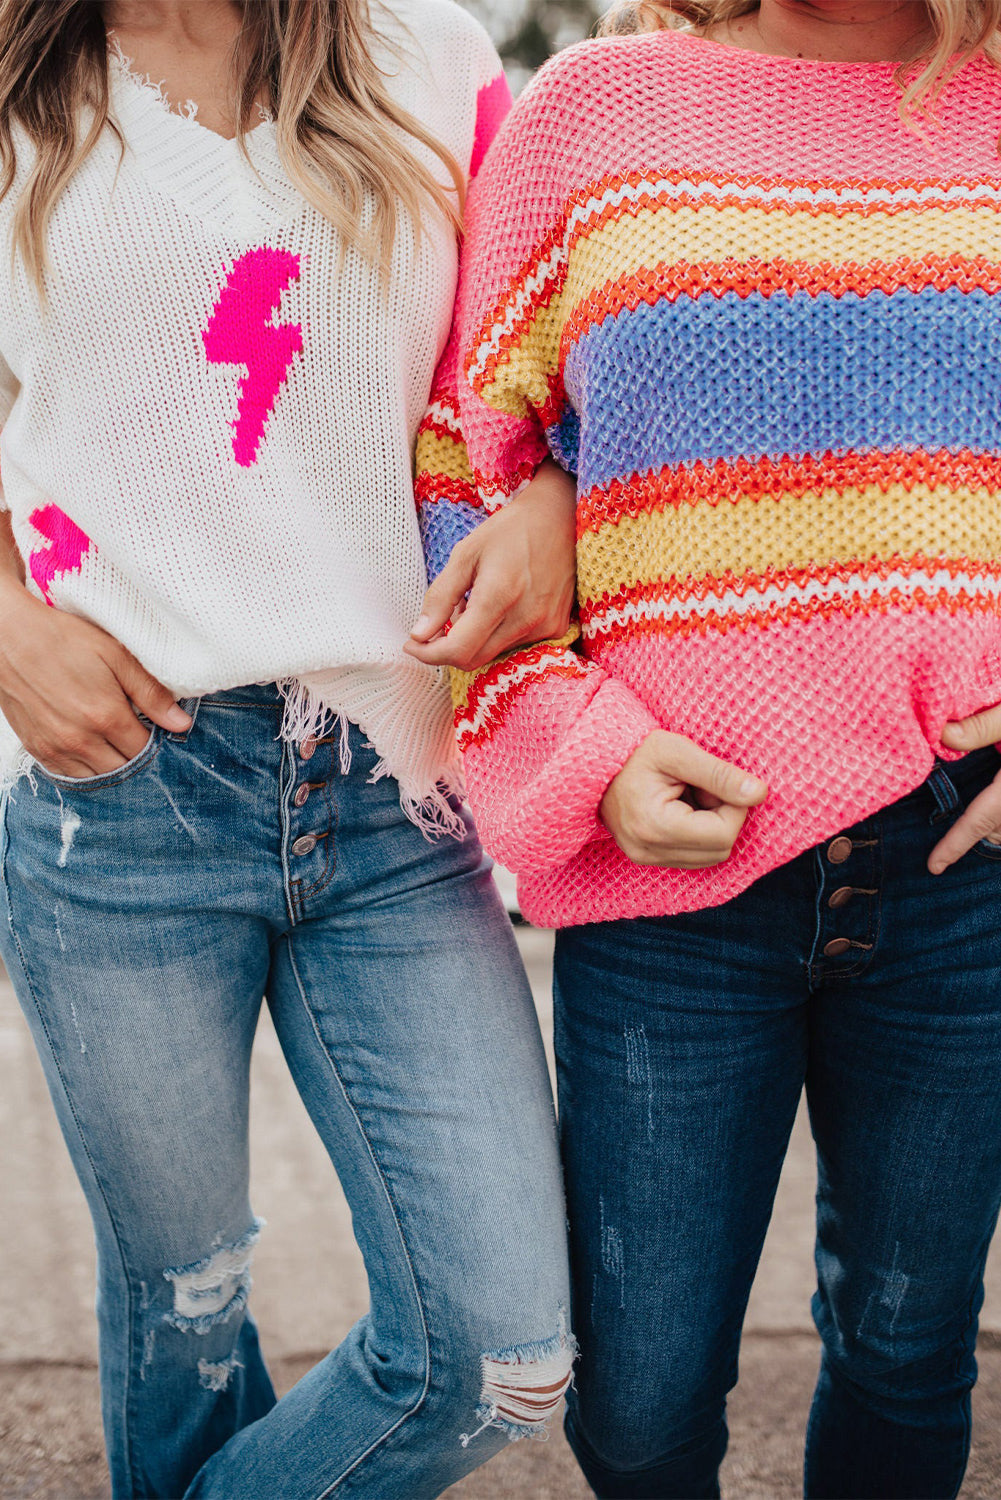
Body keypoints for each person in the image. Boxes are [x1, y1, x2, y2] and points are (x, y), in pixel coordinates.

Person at [409, 1, 1001, 1495]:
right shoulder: (593, 107)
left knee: (908, 1350)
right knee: (641, 1394)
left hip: (962, 873)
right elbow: (458, 454)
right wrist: (576, 744)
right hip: (671, 873)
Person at [0, 3, 579, 1496]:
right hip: (123, 793)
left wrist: (557, 500)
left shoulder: (430, 57)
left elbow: (557, 350)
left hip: (396, 790)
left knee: (503, 1356)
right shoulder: (18, 85)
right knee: (182, 1317)